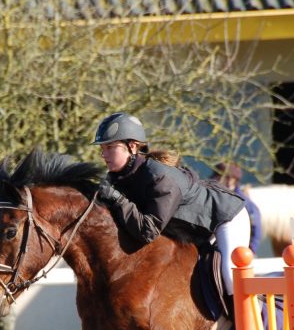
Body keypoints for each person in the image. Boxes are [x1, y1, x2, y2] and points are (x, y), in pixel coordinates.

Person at [93, 112, 251, 308]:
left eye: (110, 147)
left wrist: (117, 199)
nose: (103, 154)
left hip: (226, 218)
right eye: (102, 148)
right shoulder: (120, 177)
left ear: (132, 146)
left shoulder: (160, 177)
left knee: (230, 276)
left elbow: (147, 230)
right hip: (195, 229)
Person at [212, 162, 262, 255]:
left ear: (232, 179)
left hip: (239, 251)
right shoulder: (214, 196)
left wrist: (251, 250)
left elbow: (256, 227)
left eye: (221, 177)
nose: (217, 179)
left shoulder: (244, 202)